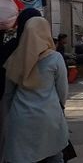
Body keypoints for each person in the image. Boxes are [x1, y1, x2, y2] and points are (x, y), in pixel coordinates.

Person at [3, 17, 69, 162]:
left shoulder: (15, 58)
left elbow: (8, 94)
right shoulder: (55, 58)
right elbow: (62, 90)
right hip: (49, 116)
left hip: (20, 118)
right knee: (53, 154)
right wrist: (61, 108)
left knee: (22, 157)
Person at [0, 8, 42, 162]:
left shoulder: (11, 46)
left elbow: (8, 88)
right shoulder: (49, 52)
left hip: (13, 105)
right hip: (43, 109)